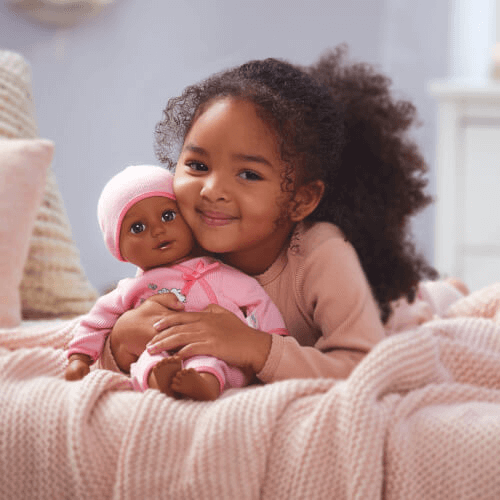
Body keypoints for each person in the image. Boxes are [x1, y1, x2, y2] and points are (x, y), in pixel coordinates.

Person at [103, 45, 466, 384]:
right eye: (197, 164)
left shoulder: (323, 254)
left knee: (420, 307)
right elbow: (107, 344)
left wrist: (255, 348)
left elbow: (363, 368)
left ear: (301, 199)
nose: (211, 190)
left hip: (383, 309)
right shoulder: (178, 238)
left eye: (248, 174)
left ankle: (446, 292)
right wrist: (120, 342)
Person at [65, 165, 288, 401]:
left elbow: (257, 300)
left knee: (210, 360)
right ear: (119, 249)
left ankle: (204, 384)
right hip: (159, 349)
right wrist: (79, 358)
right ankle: (160, 381)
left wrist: (277, 339)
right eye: (137, 227)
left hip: (216, 350)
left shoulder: (217, 272)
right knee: (148, 360)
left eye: (168, 215)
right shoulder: (130, 289)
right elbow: (96, 322)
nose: (158, 230)